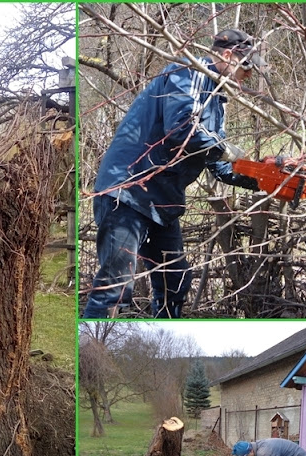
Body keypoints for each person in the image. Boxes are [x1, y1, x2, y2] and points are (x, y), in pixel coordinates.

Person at [82, 29, 266, 318]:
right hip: (127, 192)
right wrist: (225, 148)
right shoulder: (188, 72)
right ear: (228, 56)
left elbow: (215, 162)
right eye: (246, 66)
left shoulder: (215, 102)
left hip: (161, 203)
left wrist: (260, 177)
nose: (249, 75)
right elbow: (181, 128)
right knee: (114, 291)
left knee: (175, 282)